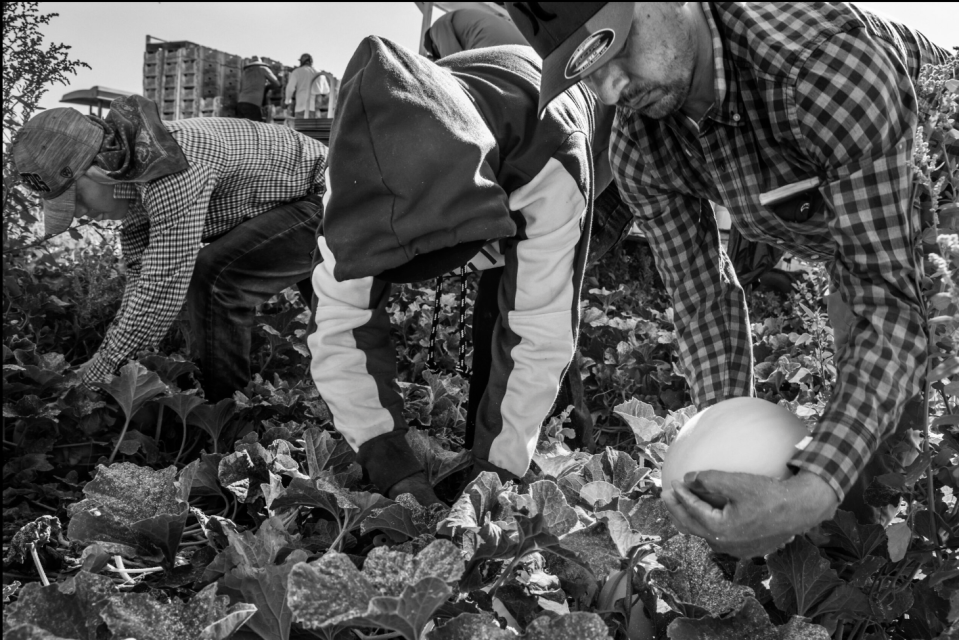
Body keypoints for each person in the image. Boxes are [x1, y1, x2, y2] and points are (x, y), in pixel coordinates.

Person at [505, 1, 951, 557]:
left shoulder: (822, 70)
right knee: (861, 413)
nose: (611, 88)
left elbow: (892, 302)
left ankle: (910, 554)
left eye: (613, 46)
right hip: (855, 231)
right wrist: (723, 453)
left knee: (906, 404)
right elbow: (703, 300)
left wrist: (812, 490)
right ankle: (862, 554)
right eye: (585, 71)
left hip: (940, 179)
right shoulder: (639, 144)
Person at [307, 36, 606, 506]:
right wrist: (388, 460)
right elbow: (338, 327)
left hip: (587, 145)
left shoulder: (553, 156)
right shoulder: (352, 177)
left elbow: (539, 330)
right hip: (501, 142)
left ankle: (561, 432)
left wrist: (494, 474)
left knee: (508, 317)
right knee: (497, 324)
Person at [12, 95, 327, 401]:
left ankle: (229, 415)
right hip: (293, 205)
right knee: (338, 323)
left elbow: (163, 287)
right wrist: (103, 362)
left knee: (216, 276)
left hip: (327, 195)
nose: (80, 212)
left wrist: (102, 372)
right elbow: (140, 282)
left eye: (77, 198)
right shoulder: (134, 192)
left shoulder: (166, 165)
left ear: (98, 169)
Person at [423, 7, 528, 59]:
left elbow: (452, 61)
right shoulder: (463, 17)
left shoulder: (436, 27)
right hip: (526, 50)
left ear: (433, 44)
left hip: (493, 48)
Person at [236, 56, 280, 122]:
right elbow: (277, 83)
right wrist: (267, 87)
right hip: (253, 103)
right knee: (254, 128)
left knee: (242, 128)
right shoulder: (263, 69)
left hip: (241, 102)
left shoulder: (245, 72)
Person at [285, 53, 329, 118]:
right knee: (315, 127)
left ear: (301, 62)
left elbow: (290, 88)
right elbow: (326, 91)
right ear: (311, 62)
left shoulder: (297, 72)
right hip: (316, 109)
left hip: (302, 108)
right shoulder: (320, 73)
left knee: (301, 127)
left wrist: (288, 100)